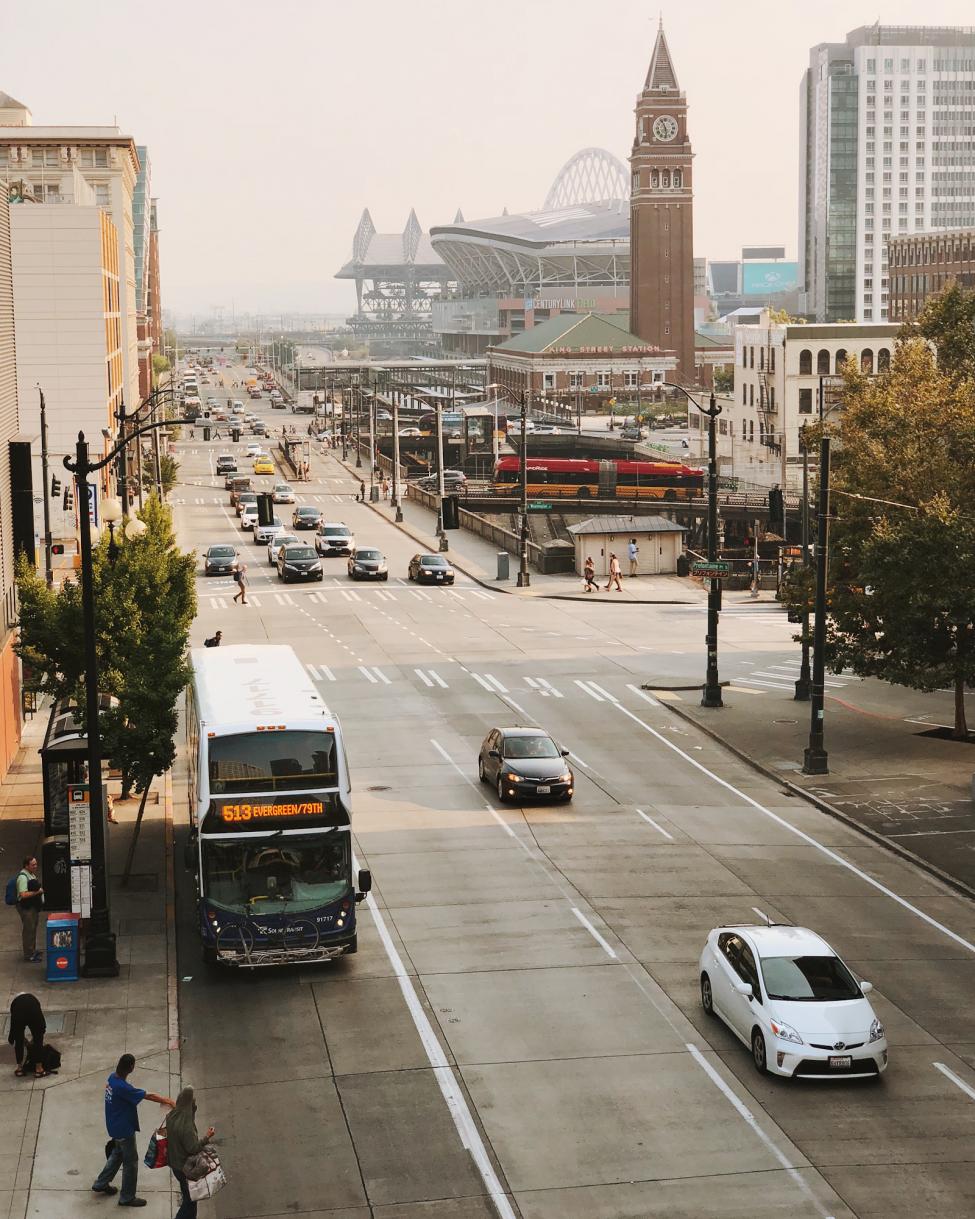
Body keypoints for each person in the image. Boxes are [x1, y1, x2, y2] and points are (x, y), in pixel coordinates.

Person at [91, 1053, 175, 1206]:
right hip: (124, 1130)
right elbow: (147, 1095)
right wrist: (167, 1100)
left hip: (114, 1126)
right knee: (131, 1162)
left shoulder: (112, 1079)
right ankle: (127, 1197)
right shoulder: (122, 1087)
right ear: (131, 1068)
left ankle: (101, 1183)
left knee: (117, 1154)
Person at [166, 1087, 215, 1219]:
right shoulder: (186, 1127)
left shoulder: (171, 1116)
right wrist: (207, 1137)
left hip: (174, 1164)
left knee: (189, 1196)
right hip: (185, 1168)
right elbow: (193, 1148)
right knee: (190, 1200)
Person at [8, 992, 45, 1077]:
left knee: (18, 1040)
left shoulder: (15, 1003)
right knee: (38, 1039)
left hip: (18, 1014)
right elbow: (41, 1026)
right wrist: (35, 1039)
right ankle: (39, 1069)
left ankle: (19, 1069)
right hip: (33, 1012)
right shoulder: (33, 999)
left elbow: (14, 1027)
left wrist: (17, 1038)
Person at [14, 856, 43, 963]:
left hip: (32, 907)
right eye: (33, 865)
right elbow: (23, 894)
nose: (36, 866)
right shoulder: (22, 877)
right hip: (26, 908)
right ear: (26, 866)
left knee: (33, 928)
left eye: (36, 864)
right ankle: (29, 955)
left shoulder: (30, 874)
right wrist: (38, 892)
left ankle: (32, 950)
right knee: (28, 930)